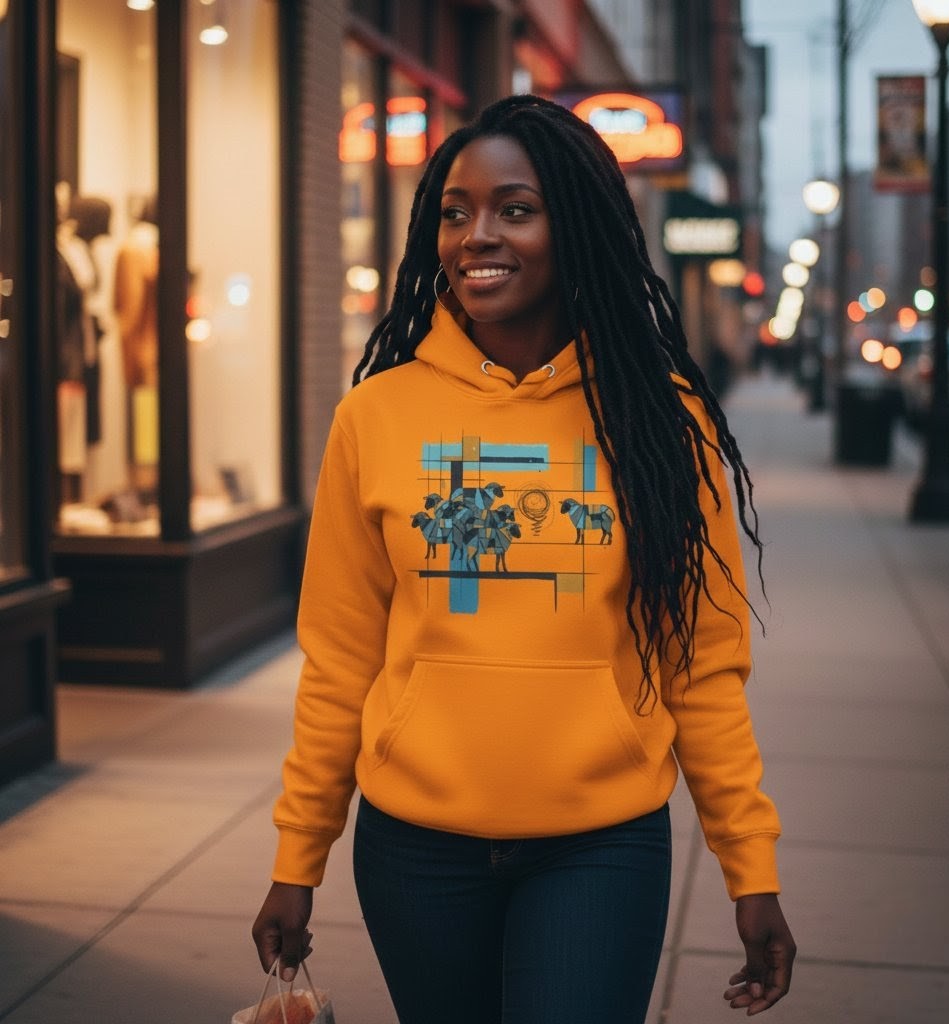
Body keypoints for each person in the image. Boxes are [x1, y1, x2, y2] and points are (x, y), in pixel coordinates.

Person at [252, 94, 796, 1023]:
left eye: (514, 208)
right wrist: (298, 856)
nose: (476, 236)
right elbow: (341, 658)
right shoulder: (376, 416)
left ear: (573, 227)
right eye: (455, 212)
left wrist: (749, 863)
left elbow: (702, 664)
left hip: (599, 843)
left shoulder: (662, 420)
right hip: (416, 847)